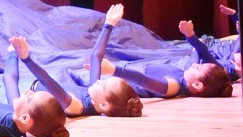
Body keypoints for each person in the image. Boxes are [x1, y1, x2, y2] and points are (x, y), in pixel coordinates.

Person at [11, 4, 143, 117]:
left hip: (22, 95)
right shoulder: (93, 94)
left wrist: (26, 59)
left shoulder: (76, 106)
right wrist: (109, 24)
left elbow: (48, 81)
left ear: (104, 105)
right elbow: (96, 58)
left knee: (9, 77)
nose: (99, 81)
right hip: (30, 85)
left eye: (103, 85)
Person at [98, 19, 233, 98]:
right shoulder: (185, 75)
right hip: (128, 69)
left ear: (197, 85)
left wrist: (115, 69)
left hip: (118, 79)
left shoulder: (174, 86)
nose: (196, 65)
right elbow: (201, 52)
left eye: (199, 68)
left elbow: (144, 80)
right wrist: (190, 36)